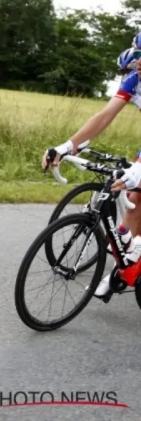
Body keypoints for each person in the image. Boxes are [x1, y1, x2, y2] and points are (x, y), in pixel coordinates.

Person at [43, 46, 141, 300]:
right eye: (139, 55)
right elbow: (104, 116)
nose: (139, 62)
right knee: (133, 199)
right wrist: (67, 147)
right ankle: (125, 266)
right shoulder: (134, 80)